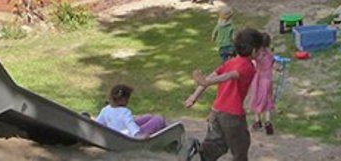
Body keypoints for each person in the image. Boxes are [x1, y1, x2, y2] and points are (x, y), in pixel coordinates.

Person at [184, 28, 263, 161]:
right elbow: (231, 75)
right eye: (260, 50)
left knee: (216, 144)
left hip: (216, 111)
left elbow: (212, 76)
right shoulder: (248, 67)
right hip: (232, 115)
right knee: (241, 147)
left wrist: (194, 96)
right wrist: (207, 82)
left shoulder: (230, 62)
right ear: (254, 51)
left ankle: (198, 152)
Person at [95, 84, 165, 138]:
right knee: (158, 119)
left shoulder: (105, 109)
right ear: (124, 100)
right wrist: (138, 136)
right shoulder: (125, 112)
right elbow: (130, 125)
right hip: (128, 136)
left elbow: (97, 124)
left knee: (148, 116)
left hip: (113, 134)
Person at [249, 32, 275, 135]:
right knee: (267, 100)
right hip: (268, 80)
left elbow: (253, 60)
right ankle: (268, 122)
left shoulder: (258, 55)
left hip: (259, 80)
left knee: (257, 99)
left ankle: (257, 121)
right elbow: (272, 62)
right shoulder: (270, 55)